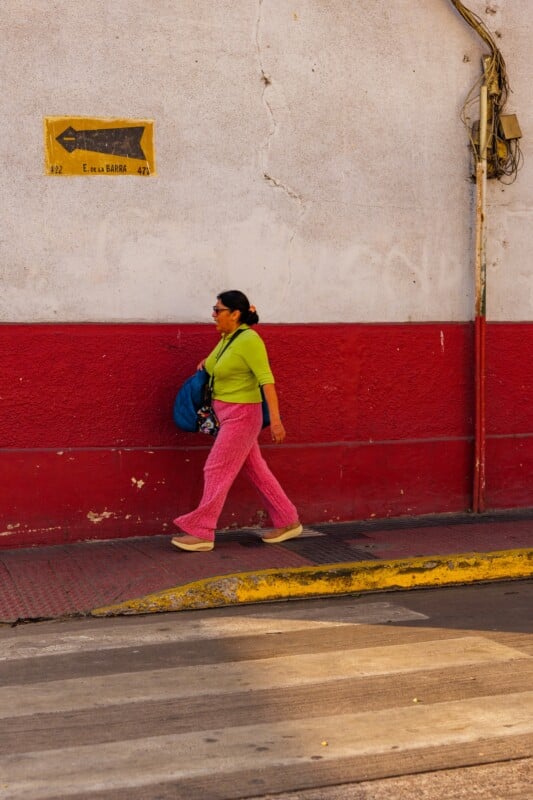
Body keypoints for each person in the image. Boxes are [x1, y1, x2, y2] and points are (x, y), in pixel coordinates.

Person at [172, 290, 302, 552]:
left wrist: (276, 421)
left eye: (218, 310)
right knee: (256, 470)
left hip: (243, 416)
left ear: (235, 314)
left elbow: (267, 380)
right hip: (226, 415)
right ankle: (288, 520)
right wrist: (205, 364)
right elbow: (214, 365)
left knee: (216, 468)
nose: (213, 314)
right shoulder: (227, 339)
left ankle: (202, 531)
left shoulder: (250, 340)